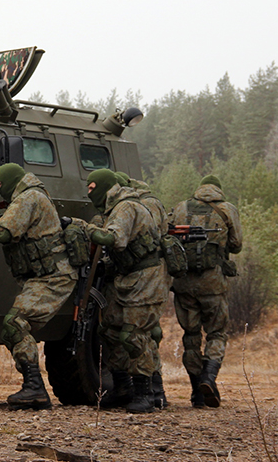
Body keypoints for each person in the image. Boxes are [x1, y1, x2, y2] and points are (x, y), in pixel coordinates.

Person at [0, 163, 77, 410]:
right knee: (13, 327)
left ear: (11, 181)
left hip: (53, 277)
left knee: (15, 324)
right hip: (43, 277)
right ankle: (34, 388)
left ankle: (34, 389)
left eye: (0, 184)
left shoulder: (29, 197)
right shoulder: (27, 197)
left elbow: (5, 232)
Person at [83, 169, 168, 413]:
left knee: (133, 334)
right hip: (125, 278)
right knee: (109, 331)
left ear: (105, 187)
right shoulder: (113, 210)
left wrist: (84, 228)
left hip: (144, 280)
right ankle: (123, 388)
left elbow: (115, 239)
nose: (89, 193)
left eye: (92, 188)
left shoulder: (126, 207)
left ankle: (145, 393)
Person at [170, 175, 243, 408]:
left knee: (191, 337)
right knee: (217, 333)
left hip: (184, 284)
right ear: (218, 191)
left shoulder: (180, 208)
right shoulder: (227, 209)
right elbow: (236, 245)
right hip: (213, 284)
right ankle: (208, 378)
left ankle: (197, 394)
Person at [115, 171, 169, 408]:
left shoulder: (134, 207)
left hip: (144, 277)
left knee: (141, 334)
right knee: (146, 333)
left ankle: (149, 393)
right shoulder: (149, 203)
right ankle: (156, 392)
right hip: (147, 277)